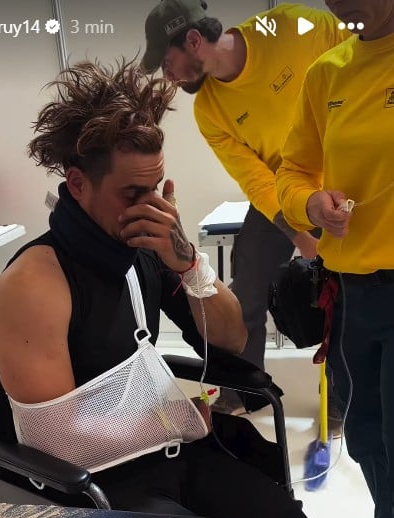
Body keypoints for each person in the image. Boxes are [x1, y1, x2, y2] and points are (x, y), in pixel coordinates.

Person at [0, 59, 317, 518]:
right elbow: (60, 444)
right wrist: (173, 418)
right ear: (78, 185)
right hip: (98, 486)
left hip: (175, 454)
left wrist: (187, 262)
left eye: (156, 188)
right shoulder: (32, 285)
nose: (151, 206)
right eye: (132, 193)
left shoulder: (147, 248)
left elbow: (230, 339)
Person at [141, 0, 347, 421]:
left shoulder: (293, 26)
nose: (168, 76)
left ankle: (345, 400)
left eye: (167, 62)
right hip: (283, 193)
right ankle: (244, 390)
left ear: (193, 41)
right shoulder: (209, 109)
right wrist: (302, 236)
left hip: (347, 179)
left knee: (350, 292)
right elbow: (258, 182)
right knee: (248, 280)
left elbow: (364, 61)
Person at [276, 0, 394, 518]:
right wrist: (310, 202)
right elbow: (292, 171)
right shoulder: (329, 72)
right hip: (350, 296)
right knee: (366, 435)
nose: (341, 4)